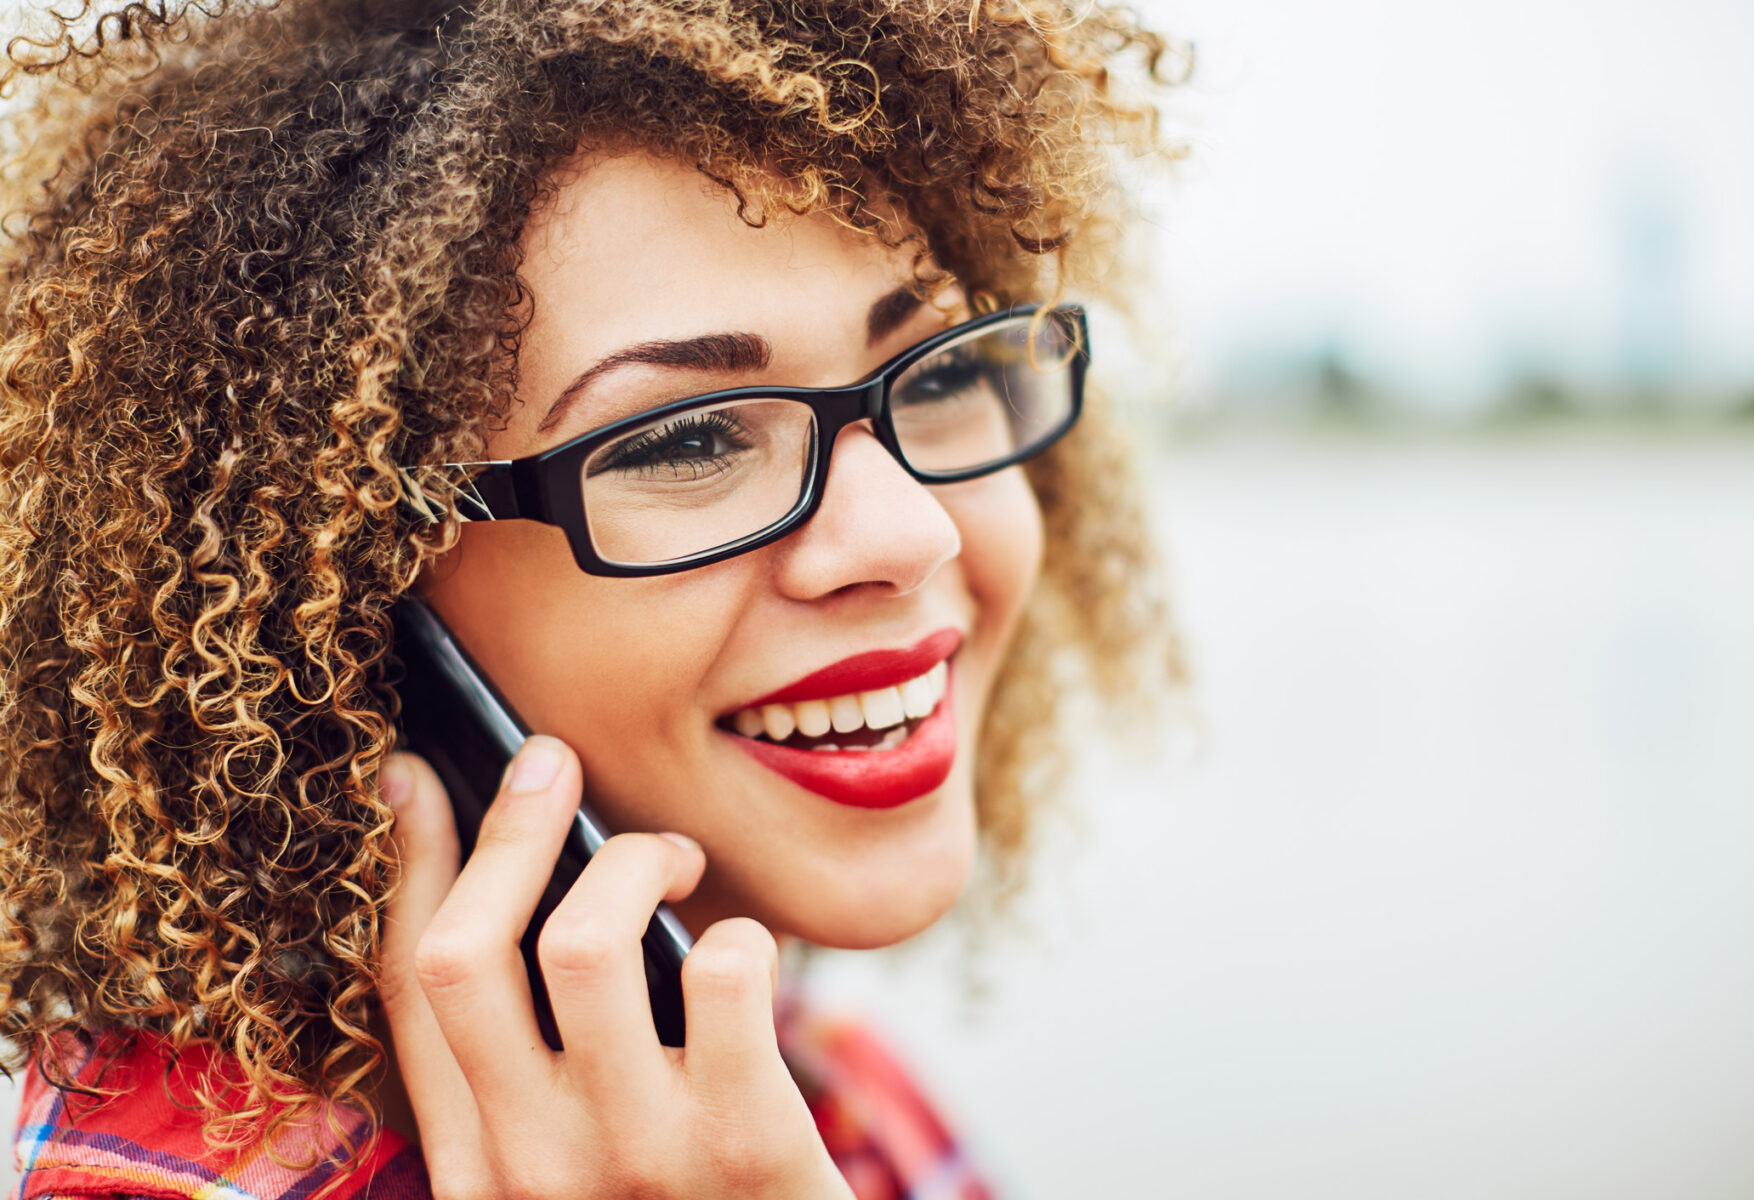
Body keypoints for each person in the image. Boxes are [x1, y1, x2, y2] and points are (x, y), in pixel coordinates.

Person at [0, 0, 1185, 1195]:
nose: (909, 531)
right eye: (688, 442)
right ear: (345, 604)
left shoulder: (822, 1097)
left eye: (934, 371)